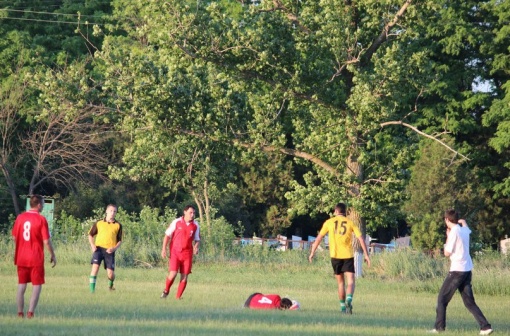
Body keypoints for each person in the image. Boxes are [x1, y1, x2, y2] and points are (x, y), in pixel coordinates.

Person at [429, 210, 493, 335]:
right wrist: (463, 222)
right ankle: (485, 327)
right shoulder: (464, 230)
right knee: (469, 302)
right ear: (457, 219)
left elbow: (447, 253)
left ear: (447, 220)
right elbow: (467, 228)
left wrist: (447, 237)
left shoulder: (454, 232)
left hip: (457, 271)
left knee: (442, 299)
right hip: (467, 270)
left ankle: (439, 328)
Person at [308, 202, 370, 314]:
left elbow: (318, 238)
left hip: (335, 256)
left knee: (340, 283)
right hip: (348, 256)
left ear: (336, 211)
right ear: (345, 212)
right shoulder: (350, 222)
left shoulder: (329, 222)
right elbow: (361, 239)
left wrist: (312, 252)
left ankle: (342, 308)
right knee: (351, 282)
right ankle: (349, 299)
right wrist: (366, 254)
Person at [12, 194, 57, 318]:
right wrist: (53, 255)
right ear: (38, 205)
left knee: (21, 285)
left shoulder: (20, 218)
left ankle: (20, 313)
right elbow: (46, 241)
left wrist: (21, 248)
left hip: (21, 257)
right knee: (37, 285)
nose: (42, 206)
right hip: (35, 258)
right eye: (42, 204)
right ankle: (30, 312)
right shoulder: (41, 219)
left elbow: (14, 237)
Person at [160, 205, 200, 299]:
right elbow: (167, 236)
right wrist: (163, 249)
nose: (192, 215)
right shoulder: (177, 222)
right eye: (190, 212)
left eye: (194, 213)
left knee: (184, 275)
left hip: (187, 253)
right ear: (185, 212)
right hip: (175, 251)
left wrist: (196, 247)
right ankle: (166, 290)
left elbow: (197, 239)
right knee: (173, 273)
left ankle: (178, 297)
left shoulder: (195, 225)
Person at [88, 204, 123, 292]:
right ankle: (92, 292)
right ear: (106, 211)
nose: (112, 213)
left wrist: (114, 249)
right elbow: (90, 235)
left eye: (114, 211)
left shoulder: (118, 225)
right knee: (95, 268)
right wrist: (92, 245)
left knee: (110, 274)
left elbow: (120, 241)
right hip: (98, 249)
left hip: (109, 251)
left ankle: (111, 285)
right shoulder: (99, 223)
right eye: (111, 211)